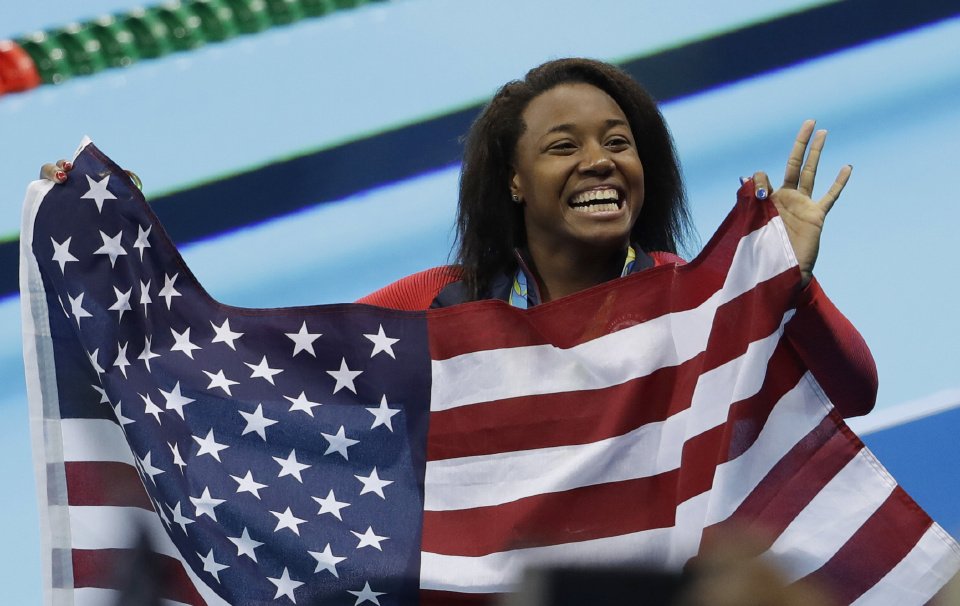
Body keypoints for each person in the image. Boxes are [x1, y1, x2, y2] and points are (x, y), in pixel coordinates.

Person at [40, 57, 877, 417]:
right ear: (513, 181)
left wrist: (789, 284)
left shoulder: (703, 291)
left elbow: (856, 391)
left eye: (619, 142)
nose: (600, 163)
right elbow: (257, 365)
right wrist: (129, 243)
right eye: (564, 146)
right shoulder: (437, 305)